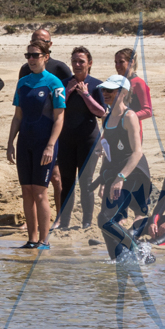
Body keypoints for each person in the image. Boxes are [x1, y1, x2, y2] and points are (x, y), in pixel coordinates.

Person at [5, 43, 68, 251]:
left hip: (44, 144)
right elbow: (17, 116)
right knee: (26, 191)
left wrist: (50, 145)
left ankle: (44, 240)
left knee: (40, 192)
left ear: (46, 56)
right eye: (28, 55)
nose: (31, 59)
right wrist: (10, 143)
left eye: (35, 55)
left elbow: (59, 119)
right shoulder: (22, 82)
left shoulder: (54, 83)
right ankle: (32, 239)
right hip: (25, 142)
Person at [90, 76, 151, 263]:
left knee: (105, 219)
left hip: (133, 172)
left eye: (110, 90)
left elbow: (137, 152)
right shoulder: (106, 117)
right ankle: (117, 260)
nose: (105, 93)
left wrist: (120, 178)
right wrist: (104, 181)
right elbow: (107, 150)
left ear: (123, 93)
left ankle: (138, 250)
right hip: (115, 172)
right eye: (104, 90)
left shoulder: (129, 116)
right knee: (107, 221)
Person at [53, 47, 106, 231]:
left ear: (89, 63)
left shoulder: (97, 85)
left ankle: (87, 222)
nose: (77, 64)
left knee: (86, 181)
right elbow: (55, 108)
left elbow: (101, 112)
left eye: (81, 61)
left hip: (88, 140)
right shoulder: (62, 84)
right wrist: (67, 92)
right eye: (74, 61)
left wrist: (85, 94)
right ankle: (64, 222)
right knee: (66, 181)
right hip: (66, 140)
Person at [112, 47, 153, 123]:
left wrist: (126, 117)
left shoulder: (138, 83)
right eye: (116, 62)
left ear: (131, 62)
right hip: (115, 126)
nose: (117, 65)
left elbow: (147, 111)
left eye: (121, 62)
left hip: (132, 127)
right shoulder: (115, 82)